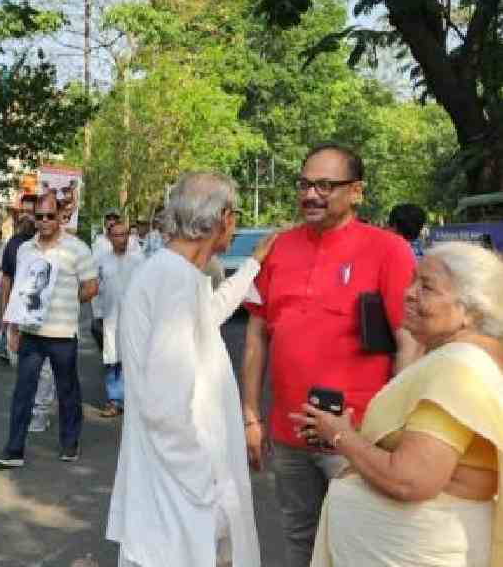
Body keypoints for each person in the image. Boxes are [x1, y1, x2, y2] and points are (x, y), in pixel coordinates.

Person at [241, 143, 420, 567]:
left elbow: (409, 339)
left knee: (358, 545)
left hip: (357, 437)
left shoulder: (387, 249)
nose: (310, 195)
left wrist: (393, 428)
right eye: (305, 184)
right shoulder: (279, 248)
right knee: (300, 539)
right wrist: (250, 414)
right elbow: (256, 336)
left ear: (356, 192)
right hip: (289, 438)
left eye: (325, 185)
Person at [294, 242, 503, 566]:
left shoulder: (457, 369)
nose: (408, 293)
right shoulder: (460, 361)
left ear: (470, 311)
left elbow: (411, 479)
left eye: (427, 287)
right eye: (413, 281)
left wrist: (341, 437)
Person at [108, 172, 274, 567]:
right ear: (223, 218)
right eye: (233, 217)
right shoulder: (172, 279)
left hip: (176, 489)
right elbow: (165, 409)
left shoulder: (174, 274)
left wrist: (251, 265)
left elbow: (209, 315)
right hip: (181, 493)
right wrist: (208, 490)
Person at [0, 192, 98, 467]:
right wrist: (12, 329)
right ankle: (14, 450)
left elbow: (91, 286)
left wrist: (65, 298)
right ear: (33, 218)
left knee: (67, 391)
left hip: (62, 334)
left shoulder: (77, 248)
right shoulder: (26, 249)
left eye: (50, 215)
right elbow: (19, 290)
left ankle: (70, 442)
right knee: (22, 392)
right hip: (31, 334)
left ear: (60, 215)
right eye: (40, 216)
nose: (45, 221)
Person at [0, 211, 53, 432]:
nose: (38, 221)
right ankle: (28, 411)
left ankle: (40, 412)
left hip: (51, 319)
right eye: (34, 218)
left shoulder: (62, 247)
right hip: (23, 314)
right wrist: (6, 313)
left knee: (46, 369)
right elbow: (8, 279)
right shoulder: (17, 247)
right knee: (25, 366)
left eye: (43, 217)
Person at [95, 223, 144, 418]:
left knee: (132, 359)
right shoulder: (102, 261)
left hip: (134, 319)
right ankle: (114, 400)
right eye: (116, 235)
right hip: (110, 319)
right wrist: (97, 314)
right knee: (112, 359)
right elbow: (96, 289)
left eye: (124, 235)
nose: (121, 239)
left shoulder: (139, 260)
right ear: (109, 237)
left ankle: (132, 400)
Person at [91, 209, 121, 351]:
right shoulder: (98, 242)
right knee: (97, 328)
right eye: (108, 220)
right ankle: (109, 357)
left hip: (121, 294)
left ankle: (114, 365)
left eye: (114, 220)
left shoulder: (130, 243)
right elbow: (93, 267)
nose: (111, 222)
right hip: (101, 295)